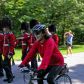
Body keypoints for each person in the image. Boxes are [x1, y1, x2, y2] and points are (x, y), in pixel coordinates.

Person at [2, 16, 16, 83]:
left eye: (4, 27)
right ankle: (9, 77)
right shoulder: (5, 35)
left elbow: (12, 45)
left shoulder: (11, 35)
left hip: (9, 52)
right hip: (5, 52)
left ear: (7, 27)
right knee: (8, 65)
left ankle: (10, 76)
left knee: (4, 64)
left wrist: (10, 53)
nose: (3, 29)